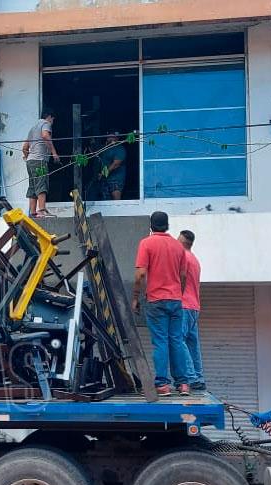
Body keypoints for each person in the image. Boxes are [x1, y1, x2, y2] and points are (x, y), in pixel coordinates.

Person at [132, 211, 195, 396]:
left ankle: (162, 384)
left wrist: (135, 297)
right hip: (175, 300)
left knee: (160, 342)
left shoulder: (146, 243)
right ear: (167, 226)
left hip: (156, 300)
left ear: (151, 226)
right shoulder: (178, 247)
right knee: (176, 340)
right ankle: (183, 384)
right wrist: (178, 293)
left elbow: (140, 274)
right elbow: (183, 275)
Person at [178, 230, 206, 391]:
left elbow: (178, 278)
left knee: (179, 340)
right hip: (194, 307)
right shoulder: (195, 260)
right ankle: (199, 377)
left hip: (184, 306)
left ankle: (191, 377)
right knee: (192, 344)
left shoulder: (183, 257)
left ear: (182, 242)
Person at [21, 108, 60, 218]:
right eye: (53, 119)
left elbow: (24, 148)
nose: (52, 122)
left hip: (30, 161)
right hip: (39, 160)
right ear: (49, 117)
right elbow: (45, 136)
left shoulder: (33, 128)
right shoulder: (46, 124)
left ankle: (33, 212)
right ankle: (42, 210)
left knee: (33, 186)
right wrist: (54, 153)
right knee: (41, 183)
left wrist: (29, 158)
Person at [97, 132, 127, 200]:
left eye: (112, 136)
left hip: (116, 179)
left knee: (116, 200)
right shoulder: (105, 149)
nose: (109, 138)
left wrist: (103, 174)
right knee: (105, 200)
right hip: (105, 180)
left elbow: (116, 164)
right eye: (108, 136)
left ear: (117, 138)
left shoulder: (119, 148)